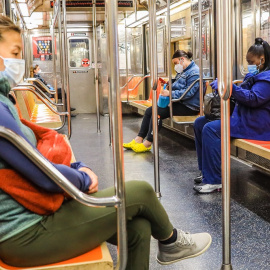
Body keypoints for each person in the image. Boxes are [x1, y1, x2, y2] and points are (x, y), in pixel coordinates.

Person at [0, 15, 212, 269]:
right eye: (14, 52)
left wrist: (75, 168)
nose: (19, 62)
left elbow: (29, 160)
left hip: (32, 214)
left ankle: (169, 245)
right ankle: (172, 241)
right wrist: (84, 177)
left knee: (138, 228)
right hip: (23, 232)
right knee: (142, 193)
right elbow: (41, 174)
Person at [193, 38, 270, 194]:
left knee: (211, 129)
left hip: (258, 123)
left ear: (262, 59)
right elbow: (242, 95)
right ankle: (206, 172)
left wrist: (231, 88)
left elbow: (254, 99)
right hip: (245, 117)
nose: (249, 64)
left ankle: (214, 180)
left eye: (251, 61)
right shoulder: (254, 76)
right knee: (200, 122)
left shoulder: (267, 79)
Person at [123, 50, 200, 153]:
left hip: (189, 106)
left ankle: (147, 143)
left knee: (157, 113)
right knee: (150, 111)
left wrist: (170, 93)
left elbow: (188, 92)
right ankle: (139, 139)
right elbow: (178, 84)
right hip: (179, 102)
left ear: (182, 59)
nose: (176, 66)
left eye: (176, 63)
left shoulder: (195, 73)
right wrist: (169, 83)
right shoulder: (184, 71)